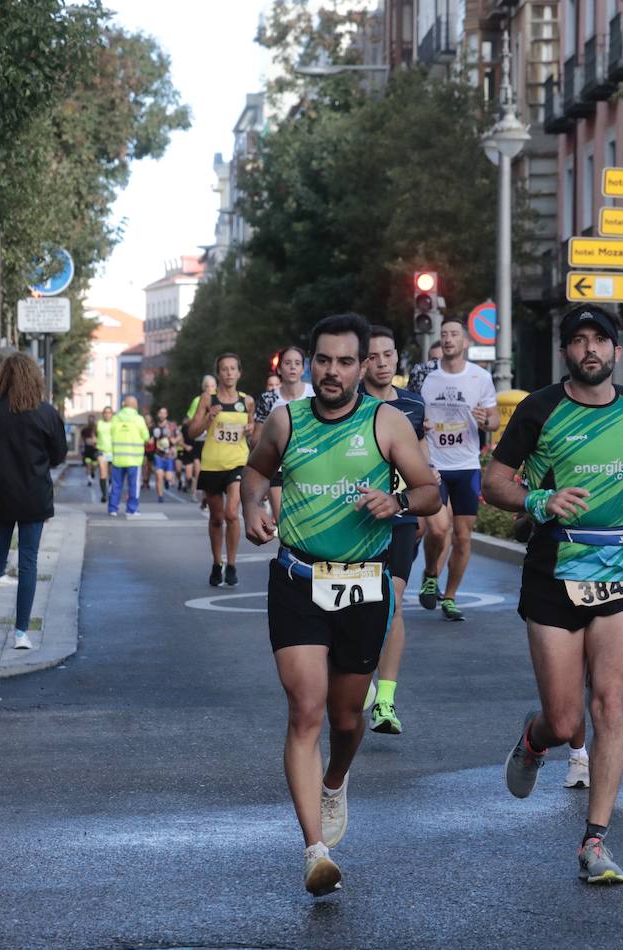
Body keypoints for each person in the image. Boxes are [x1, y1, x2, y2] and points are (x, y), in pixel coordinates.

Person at [242, 313, 439, 897]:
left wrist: (397, 500)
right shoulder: (286, 420)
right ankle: (314, 850)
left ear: (362, 367)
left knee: (346, 719)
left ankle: (335, 779)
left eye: (345, 362)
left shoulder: (386, 423)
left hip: (364, 584)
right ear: (309, 361)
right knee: (306, 709)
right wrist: (254, 506)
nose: (332, 371)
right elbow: (255, 470)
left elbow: (431, 491)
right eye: (323, 360)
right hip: (298, 579)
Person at [483, 306, 623, 885]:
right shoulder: (540, 409)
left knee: (611, 707)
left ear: (616, 351)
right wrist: (540, 502)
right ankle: (534, 739)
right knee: (567, 721)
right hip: (553, 570)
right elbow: (494, 481)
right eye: (578, 341)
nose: (590, 349)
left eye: (600, 340)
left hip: (619, 567)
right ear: (566, 352)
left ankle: (595, 842)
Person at [0, 353, 67, 651]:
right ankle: (21, 633)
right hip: (34, 495)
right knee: (28, 563)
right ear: (35, 379)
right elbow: (58, 454)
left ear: (3, 378)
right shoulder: (46, 413)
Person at [358, 326, 427, 735]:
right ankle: (359, 681)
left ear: (396, 357)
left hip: (401, 515)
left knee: (394, 603)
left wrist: (427, 500)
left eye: (388, 354)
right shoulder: (353, 405)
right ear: (363, 362)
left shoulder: (414, 405)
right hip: (362, 517)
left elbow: (421, 456)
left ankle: (385, 699)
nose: (382, 363)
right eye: (373, 356)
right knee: (364, 604)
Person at [417, 316, 499, 621]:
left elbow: (493, 419)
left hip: (466, 465)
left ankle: (449, 596)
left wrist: (486, 421)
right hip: (434, 464)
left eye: (454, 334)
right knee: (438, 528)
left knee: (463, 536)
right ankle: (429, 573)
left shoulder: (480, 377)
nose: (449, 339)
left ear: (465, 342)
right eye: (444, 334)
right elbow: (412, 411)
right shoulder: (426, 377)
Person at [187, 356, 254, 586]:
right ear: (218, 374)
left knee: (232, 514)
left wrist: (251, 429)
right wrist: (208, 418)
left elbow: (254, 436)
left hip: (238, 462)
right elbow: (192, 433)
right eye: (224, 369)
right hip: (212, 463)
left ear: (239, 373)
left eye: (233, 369)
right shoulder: (208, 398)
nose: (228, 373)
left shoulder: (248, 402)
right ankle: (217, 563)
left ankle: (232, 564)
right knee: (216, 518)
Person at [254, 345, 315, 519]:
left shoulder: (315, 394)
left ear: (303, 368)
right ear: (279, 369)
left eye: (297, 363)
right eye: (288, 363)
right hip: (278, 467)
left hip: (310, 466)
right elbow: (255, 440)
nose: (293, 367)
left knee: (308, 520)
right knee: (283, 520)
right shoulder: (269, 398)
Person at [107, 396, 151, 516]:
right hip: (134, 459)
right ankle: (131, 509)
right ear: (135, 405)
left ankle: (112, 509)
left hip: (118, 459)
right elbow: (146, 436)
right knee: (133, 486)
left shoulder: (115, 419)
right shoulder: (139, 419)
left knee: (115, 485)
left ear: (124, 405)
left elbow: (110, 434)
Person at [180, 374, 214, 499]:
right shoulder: (197, 400)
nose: (209, 389)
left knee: (209, 470)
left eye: (212, 386)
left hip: (212, 440)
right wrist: (200, 421)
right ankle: (197, 492)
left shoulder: (219, 399)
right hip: (199, 439)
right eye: (207, 386)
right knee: (199, 469)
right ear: (203, 388)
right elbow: (189, 420)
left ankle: (206, 495)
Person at [151, 407, 178, 503]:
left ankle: (167, 481)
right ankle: (160, 496)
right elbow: (150, 440)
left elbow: (178, 437)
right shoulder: (154, 427)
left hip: (169, 456)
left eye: (164, 413)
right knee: (159, 475)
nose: (162, 415)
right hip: (158, 455)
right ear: (158, 414)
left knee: (168, 477)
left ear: (166, 415)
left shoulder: (171, 426)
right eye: (160, 413)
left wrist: (173, 440)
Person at [94, 406, 114, 503]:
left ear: (112, 414)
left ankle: (110, 490)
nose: (107, 414)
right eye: (105, 412)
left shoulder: (115, 424)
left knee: (112, 474)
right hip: (101, 450)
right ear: (103, 414)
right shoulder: (99, 424)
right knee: (103, 472)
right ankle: (104, 495)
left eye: (109, 412)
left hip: (112, 451)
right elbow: (95, 434)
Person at [79, 421, 99, 487]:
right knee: (88, 465)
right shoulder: (85, 431)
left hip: (95, 451)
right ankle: (89, 480)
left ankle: (92, 472)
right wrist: (80, 448)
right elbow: (81, 439)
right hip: (87, 451)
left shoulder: (97, 431)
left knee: (94, 466)